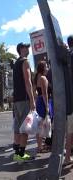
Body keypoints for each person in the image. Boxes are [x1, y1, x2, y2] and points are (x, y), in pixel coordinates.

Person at [12, 42, 36, 163]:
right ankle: (20, 154)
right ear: (21, 49)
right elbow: (28, 82)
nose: (28, 49)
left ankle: (17, 153)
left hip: (16, 99)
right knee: (25, 128)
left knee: (18, 127)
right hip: (24, 99)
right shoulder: (25, 61)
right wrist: (32, 100)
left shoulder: (16, 63)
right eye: (26, 47)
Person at [33, 61, 50, 153]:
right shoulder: (43, 78)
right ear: (43, 68)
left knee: (39, 125)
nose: (47, 68)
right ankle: (40, 147)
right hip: (43, 102)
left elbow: (34, 91)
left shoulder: (36, 77)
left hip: (38, 102)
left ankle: (39, 146)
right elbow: (45, 93)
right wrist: (47, 106)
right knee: (42, 124)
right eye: (46, 66)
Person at [64, 35, 73, 165]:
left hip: (68, 100)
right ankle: (67, 157)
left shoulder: (65, 57)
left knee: (70, 130)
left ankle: (67, 157)